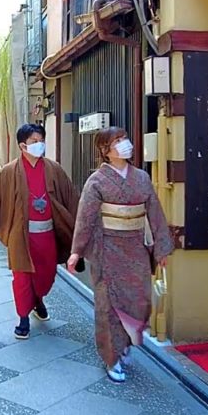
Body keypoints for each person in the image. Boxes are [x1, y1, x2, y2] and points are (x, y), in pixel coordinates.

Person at [66, 126, 173, 383]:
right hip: (108, 249)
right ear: (105, 150)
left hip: (136, 249)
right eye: (117, 141)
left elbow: (155, 214)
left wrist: (161, 248)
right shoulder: (97, 182)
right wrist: (76, 251)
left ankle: (126, 344)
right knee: (109, 307)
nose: (125, 144)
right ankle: (111, 357)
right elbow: (85, 219)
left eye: (125, 138)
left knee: (138, 302)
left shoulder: (142, 178)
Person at [0, 124, 79, 339]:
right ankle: (23, 318)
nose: (39, 145)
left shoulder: (54, 169)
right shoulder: (9, 171)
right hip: (20, 234)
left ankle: (38, 299)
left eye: (41, 140)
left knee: (47, 275)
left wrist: (81, 225)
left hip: (47, 234)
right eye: (34, 141)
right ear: (22, 145)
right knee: (22, 276)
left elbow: (71, 198)